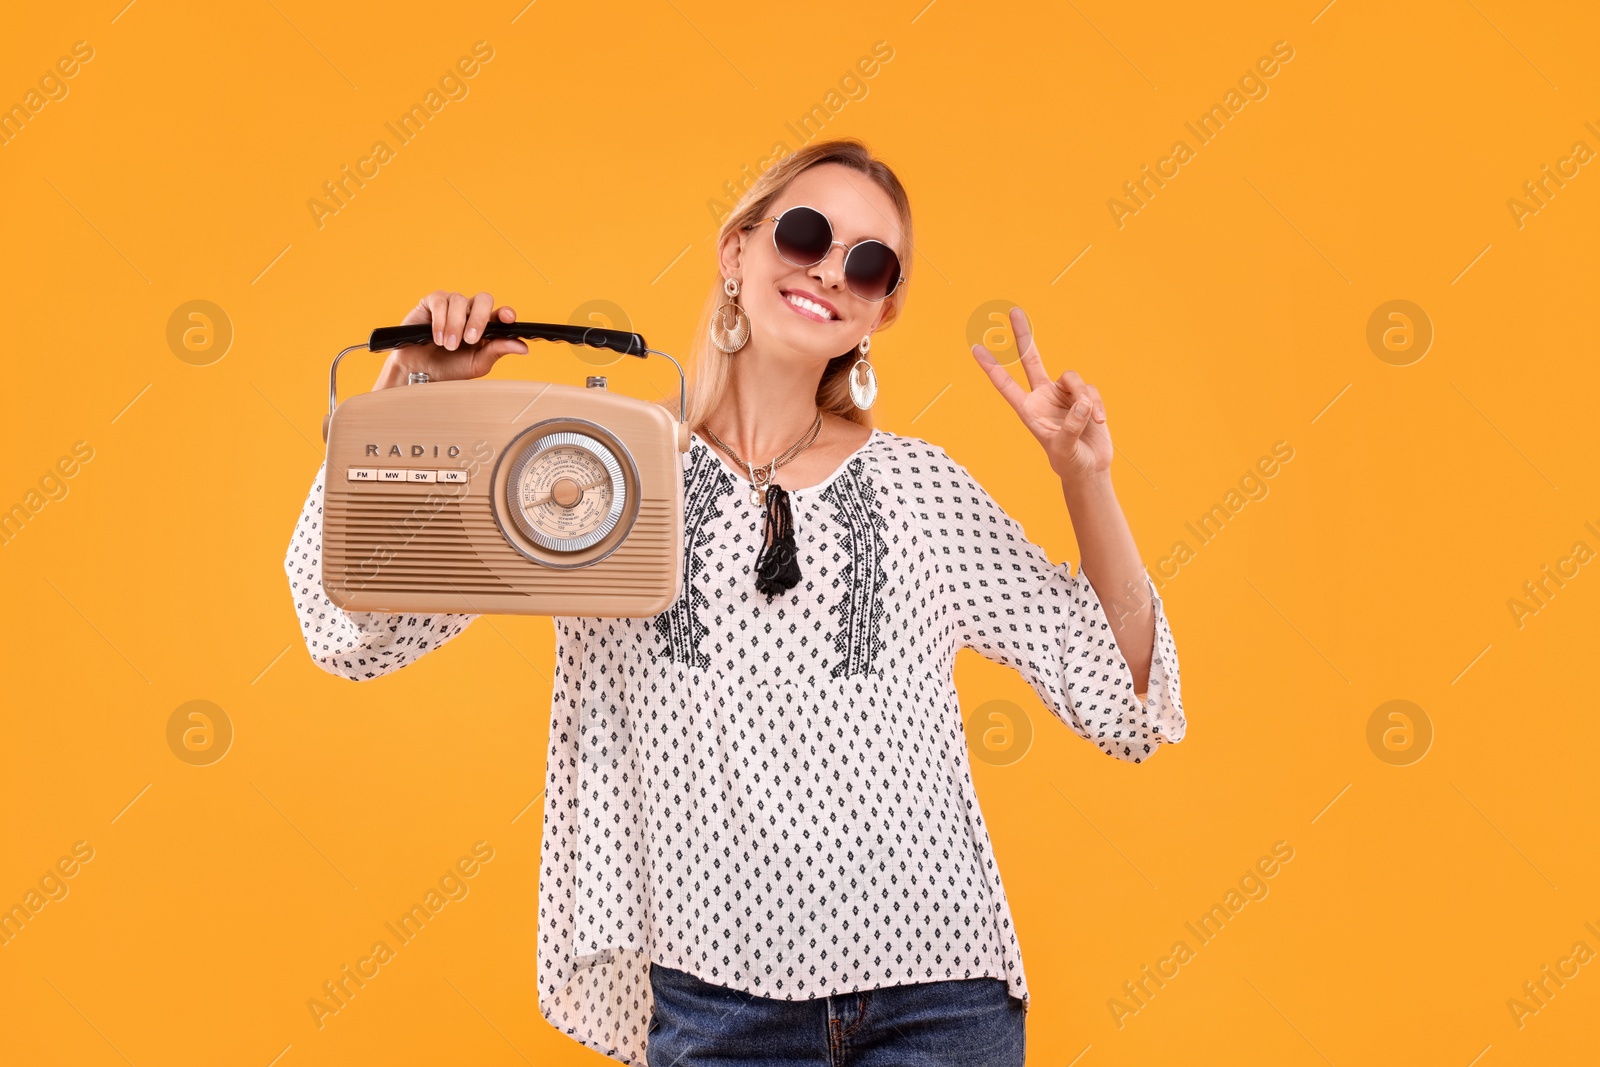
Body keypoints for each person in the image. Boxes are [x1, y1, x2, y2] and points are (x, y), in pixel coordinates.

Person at [283, 138, 1186, 1066]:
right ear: (736, 251)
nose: (832, 271)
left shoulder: (920, 488)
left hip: (941, 995)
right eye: (806, 234)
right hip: (717, 1006)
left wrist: (1086, 479)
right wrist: (413, 396)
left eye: (869, 264)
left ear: (882, 307)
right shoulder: (602, 477)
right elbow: (357, 625)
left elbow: (1120, 696)